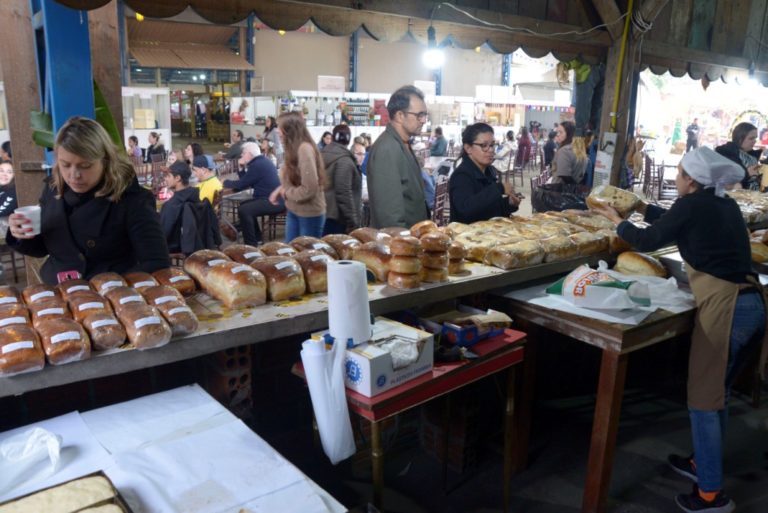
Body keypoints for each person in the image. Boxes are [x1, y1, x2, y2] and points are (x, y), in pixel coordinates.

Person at [590, 147, 767, 513]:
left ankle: (711, 496)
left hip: (727, 306)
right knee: (718, 391)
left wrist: (615, 221)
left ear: (689, 179)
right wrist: (639, 209)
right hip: (752, 300)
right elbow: (673, 221)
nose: (676, 176)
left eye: (680, 171)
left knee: (703, 398)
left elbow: (648, 240)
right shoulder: (722, 203)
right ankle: (702, 464)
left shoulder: (692, 205)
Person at [7, 117, 169, 284]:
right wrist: (22, 233)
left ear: (105, 161)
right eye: (65, 165)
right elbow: (48, 248)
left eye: (85, 166)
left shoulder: (132, 199)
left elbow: (157, 262)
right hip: (58, 293)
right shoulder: (53, 189)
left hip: (110, 297)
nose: (74, 175)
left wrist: (110, 288)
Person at [366, 85, 429, 228]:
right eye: (419, 115)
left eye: (425, 115)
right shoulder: (387, 149)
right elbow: (389, 216)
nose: (423, 120)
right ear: (400, 116)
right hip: (400, 243)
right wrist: (402, 246)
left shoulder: (402, 143)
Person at [269, 112, 326, 240]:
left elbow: (310, 188)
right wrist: (280, 190)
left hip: (309, 214)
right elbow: (294, 179)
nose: (277, 131)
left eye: (279, 127)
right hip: (294, 210)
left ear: (290, 129)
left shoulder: (304, 149)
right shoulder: (292, 149)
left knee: (305, 256)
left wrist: (287, 193)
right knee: (291, 253)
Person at [448, 123, 521, 224]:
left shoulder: (489, 171)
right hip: (466, 236)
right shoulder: (461, 176)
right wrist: (499, 188)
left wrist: (509, 203)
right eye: (484, 146)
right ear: (468, 148)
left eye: (492, 145)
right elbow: (465, 211)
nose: (491, 150)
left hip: (488, 233)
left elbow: (489, 208)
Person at [223, 141, 282, 246]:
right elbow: (246, 181)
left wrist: (224, 182)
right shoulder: (261, 161)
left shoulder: (257, 165)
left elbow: (242, 184)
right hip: (271, 198)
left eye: (243, 153)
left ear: (249, 154)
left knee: (244, 210)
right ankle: (257, 237)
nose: (241, 155)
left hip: (272, 201)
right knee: (244, 206)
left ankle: (251, 244)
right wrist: (241, 169)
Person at [321, 124, 362, 234]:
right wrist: (353, 221)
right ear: (348, 139)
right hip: (337, 218)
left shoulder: (321, 154)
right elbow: (343, 193)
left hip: (321, 212)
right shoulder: (344, 161)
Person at [715, 122, 762, 190]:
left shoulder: (752, 155)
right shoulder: (726, 153)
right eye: (751, 138)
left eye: (755, 138)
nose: (754, 141)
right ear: (740, 139)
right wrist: (747, 173)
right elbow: (725, 181)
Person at [0, 161, 18, 237]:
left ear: (14, 175)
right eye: (1, 171)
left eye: (9, 172)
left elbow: (2, 212)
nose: (4, 174)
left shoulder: (13, 191)